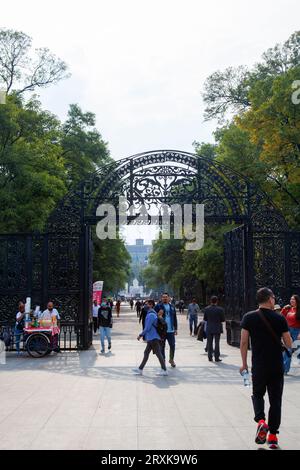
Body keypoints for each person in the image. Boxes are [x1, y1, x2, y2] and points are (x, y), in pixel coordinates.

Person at [240, 287, 292, 450]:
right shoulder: (280, 319)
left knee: (257, 394)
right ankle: (273, 436)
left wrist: (244, 364)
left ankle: (261, 421)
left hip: (259, 365)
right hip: (276, 365)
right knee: (275, 400)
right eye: (274, 298)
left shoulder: (248, 317)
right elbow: (289, 343)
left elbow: (243, 343)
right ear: (270, 299)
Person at [133, 300, 167, 376]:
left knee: (158, 354)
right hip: (152, 337)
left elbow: (147, 328)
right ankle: (140, 369)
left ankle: (164, 370)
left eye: (146, 304)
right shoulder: (152, 313)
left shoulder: (151, 315)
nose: (145, 305)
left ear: (151, 305)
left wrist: (140, 335)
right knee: (147, 353)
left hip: (153, 337)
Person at [155, 293, 178, 368]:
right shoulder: (158, 306)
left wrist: (176, 328)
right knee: (162, 346)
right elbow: (154, 316)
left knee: (172, 345)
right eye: (163, 297)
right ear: (161, 298)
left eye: (166, 297)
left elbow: (174, 318)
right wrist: (158, 315)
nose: (165, 298)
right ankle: (163, 360)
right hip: (162, 331)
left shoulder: (172, 307)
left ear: (169, 298)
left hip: (171, 330)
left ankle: (171, 359)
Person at [281, 294, 300, 374]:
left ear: (297, 301)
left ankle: (284, 369)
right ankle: (284, 369)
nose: (291, 301)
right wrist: (284, 309)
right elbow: (281, 316)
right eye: (291, 299)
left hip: (297, 332)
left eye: (293, 299)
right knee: (287, 350)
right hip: (288, 331)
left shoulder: (299, 310)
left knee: (297, 351)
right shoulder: (289, 309)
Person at [203, 296, 225, 362]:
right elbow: (223, 319)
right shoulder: (220, 309)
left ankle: (210, 357)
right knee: (217, 343)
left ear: (210, 301)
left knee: (209, 343)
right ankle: (216, 357)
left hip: (209, 328)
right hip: (217, 327)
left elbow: (205, 319)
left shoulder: (207, 309)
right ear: (217, 301)